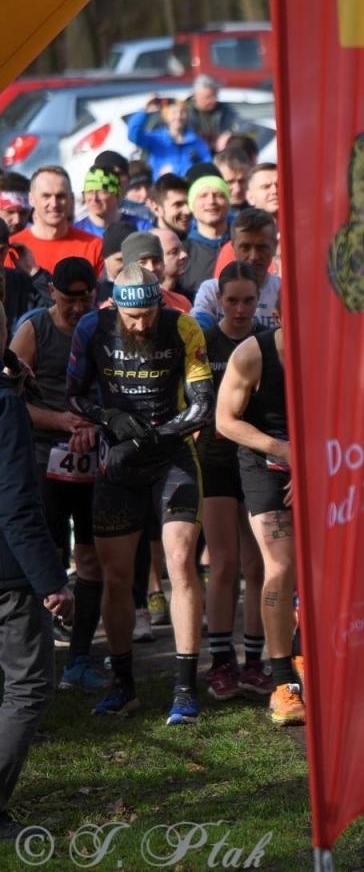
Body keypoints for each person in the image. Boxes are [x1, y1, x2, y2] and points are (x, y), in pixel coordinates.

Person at [68, 264, 214, 723]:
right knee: (116, 576)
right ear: (115, 305)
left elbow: (202, 406)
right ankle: (123, 685)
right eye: (132, 317)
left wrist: (153, 436)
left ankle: (185, 690)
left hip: (171, 459)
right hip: (117, 464)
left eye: (149, 313)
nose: (141, 324)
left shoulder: (182, 326)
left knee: (180, 561)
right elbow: (73, 394)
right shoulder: (92, 327)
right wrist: (109, 418)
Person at [10, 259, 102, 692]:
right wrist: (61, 421)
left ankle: (80, 657)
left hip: (92, 457)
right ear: (52, 293)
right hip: (42, 458)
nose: (78, 307)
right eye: (70, 299)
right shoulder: (34, 330)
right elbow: (11, 401)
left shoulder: (101, 328)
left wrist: (93, 424)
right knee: (47, 559)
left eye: (86, 298)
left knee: (91, 559)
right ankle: (40, 658)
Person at [0, 342, 74, 841]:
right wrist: (52, 581)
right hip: (11, 575)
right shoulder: (5, 405)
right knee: (27, 686)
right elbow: (15, 503)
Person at [215, 324, 305, 726]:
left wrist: (313, 461)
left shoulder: (338, 347)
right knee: (281, 566)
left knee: (325, 569)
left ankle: (307, 654)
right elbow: (224, 421)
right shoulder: (252, 354)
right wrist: (284, 451)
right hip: (265, 460)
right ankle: (283, 683)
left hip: (322, 457)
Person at [197, 264, 271, 702]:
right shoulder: (205, 341)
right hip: (216, 461)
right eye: (232, 301)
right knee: (223, 563)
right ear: (218, 299)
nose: (241, 309)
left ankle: (256, 662)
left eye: (249, 301)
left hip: (257, 459)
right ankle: (221, 662)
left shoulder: (266, 340)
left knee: (259, 565)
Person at [192, 209, 278, 327]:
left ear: (275, 246)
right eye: (245, 247)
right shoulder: (211, 291)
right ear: (233, 247)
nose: (254, 256)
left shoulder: (284, 292)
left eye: (261, 247)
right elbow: (197, 331)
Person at [13, 167, 104, 276]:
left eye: (60, 196)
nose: (54, 204)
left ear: (72, 199)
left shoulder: (94, 247)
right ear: (31, 199)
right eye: (46, 196)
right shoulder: (12, 249)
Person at [125, 97, 212, 179]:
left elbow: (207, 166)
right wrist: (144, 110)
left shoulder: (196, 141)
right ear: (166, 116)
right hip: (164, 186)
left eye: (182, 112)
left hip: (189, 185)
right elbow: (133, 134)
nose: (178, 117)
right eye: (174, 113)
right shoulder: (156, 139)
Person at [182, 174, 232, 292]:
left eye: (219, 195)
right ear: (191, 205)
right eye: (203, 196)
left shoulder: (242, 244)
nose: (211, 201)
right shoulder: (183, 251)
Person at [122, 231, 192, 312]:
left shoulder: (181, 304)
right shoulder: (115, 308)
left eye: (156, 261)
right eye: (142, 262)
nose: (151, 268)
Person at [151, 173, 192, 241]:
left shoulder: (198, 243)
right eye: (178, 204)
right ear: (157, 209)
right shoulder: (146, 246)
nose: (188, 211)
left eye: (189, 203)